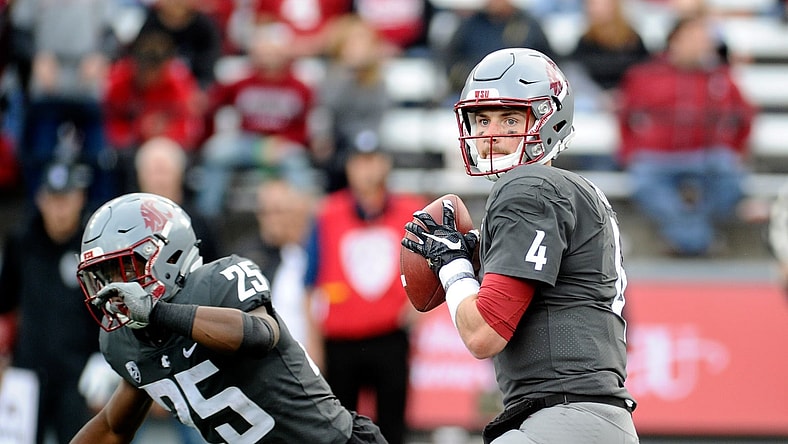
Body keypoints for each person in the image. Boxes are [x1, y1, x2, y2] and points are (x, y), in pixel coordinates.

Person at [400, 48, 638, 443]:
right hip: (588, 418)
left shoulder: (527, 187)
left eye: (510, 118)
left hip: (564, 417)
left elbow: (484, 334)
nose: (493, 133)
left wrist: (453, 266)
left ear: (549, 118)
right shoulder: (574, 189)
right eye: (483, 119)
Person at [70, 192, 387, 444]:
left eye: (122, 270)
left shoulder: (216, 283)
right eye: (102, 277)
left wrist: (158, 312)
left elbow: (259, 335)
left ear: (167, 255)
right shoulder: (124, 342)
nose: (114, 289)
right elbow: (113, 428)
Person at [305, 141, 426, 444]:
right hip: (340, 341)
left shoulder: (411, 210)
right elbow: (309, 282)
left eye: (373, 161)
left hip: (390, 337)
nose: (367, 170)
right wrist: (314, 341)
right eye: (359, 162)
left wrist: (417, 311)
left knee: (393, 427)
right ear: (348, 168)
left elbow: (433, 267)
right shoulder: (327, 213)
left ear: (385, 164)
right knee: (340, 429)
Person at [616, 14, 756, 256]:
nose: (701, 44)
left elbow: (746, 115)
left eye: (704, 39)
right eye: (694, 37)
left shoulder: (720, 77)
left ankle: (684, 239)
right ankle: (699, 240)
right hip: (658, 155)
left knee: (732, 179)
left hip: (706, 155)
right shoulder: (646, 75)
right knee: (644, 180)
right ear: (675, 40)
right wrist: (630, 152)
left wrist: (736, 150)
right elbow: (624, 116)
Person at [0, 162, 100, 444]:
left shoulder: (91, 246)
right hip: (27, 372)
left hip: (78, 375)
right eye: (53, 200)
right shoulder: (22, 241)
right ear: (41, 199)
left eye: (66, 199)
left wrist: (105, 360)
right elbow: (5, 303)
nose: (59, 209)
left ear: (80, 199)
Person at [196, 22, 316, 217]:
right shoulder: (242, 81)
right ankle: (207, 219)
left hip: (283, 144)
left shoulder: (300, 87)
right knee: (216, 152)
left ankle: (307, 220)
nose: (268, 56)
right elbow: (211, 106)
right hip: (247, 142)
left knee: (296, 164)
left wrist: (284, 143)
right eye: (263, 50)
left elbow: (306, 127)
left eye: (273, 51)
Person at [234, 178, 316, 345]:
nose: (272, 219)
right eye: (266, 211)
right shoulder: (244, 257)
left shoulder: (306, 253)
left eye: (279, 211)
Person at [439, 0, 554, 100]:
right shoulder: (470, 25)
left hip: (521, 95)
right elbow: (451, 60)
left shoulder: (529, 25)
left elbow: (547, 63)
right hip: (477, 93)